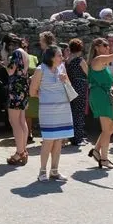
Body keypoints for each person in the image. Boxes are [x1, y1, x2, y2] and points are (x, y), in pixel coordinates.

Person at [29, 47, 73, 182]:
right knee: (48, 141)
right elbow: (32, 92)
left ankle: (54, 171)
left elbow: (69, 86)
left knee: (58, 140)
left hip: (63, 109)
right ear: (51, 57)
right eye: (59, 55)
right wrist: (46, 98)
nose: (62, 58)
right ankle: (42, 171)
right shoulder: (40, 70)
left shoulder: (62, 67)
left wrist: (65, 80)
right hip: (48, 111)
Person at [86, 37, 113, 169]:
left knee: (112, 126)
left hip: (103, 95)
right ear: (96, 48)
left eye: (107, 45)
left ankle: (96, 150)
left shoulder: (102, 62)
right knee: (107, 129)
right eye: (104, 45)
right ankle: (104, 159)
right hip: (100, 96)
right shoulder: (99, 59)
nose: (107, 47)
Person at [5, 34, 30, 166]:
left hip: (15, 89)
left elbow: (10, 71)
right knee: (21, 121)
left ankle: (19, 152)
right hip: (23, 88)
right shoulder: (25, 53)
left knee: (14, 122)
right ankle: (23, 150)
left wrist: (5, 58)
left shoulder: (16, 53)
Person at [65, 39, 89, 146]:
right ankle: (78, 138)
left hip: (70, 86)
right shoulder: (80, 60)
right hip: (80, 86)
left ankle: (72, 136)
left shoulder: (67, 60)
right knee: (79, 112)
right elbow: (88, 73)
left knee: (72, 112)